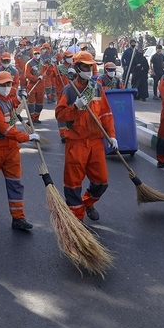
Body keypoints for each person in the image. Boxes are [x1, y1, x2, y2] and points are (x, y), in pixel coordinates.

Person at [55, 51, 117, 221]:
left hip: (96, 141)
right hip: (76, 142)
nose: (88, 69)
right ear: (77, 67)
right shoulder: (69, 90)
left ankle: (87, 202)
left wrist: (111, 136)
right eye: (85, 66)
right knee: (73, 183)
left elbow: (106, 114)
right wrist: (75, 106)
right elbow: (60, 115)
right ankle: (76, 220)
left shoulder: (96, 88)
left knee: (102, 181)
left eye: (91, 66)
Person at [0, 70, 38, 230]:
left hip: (11, 150)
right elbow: (5, 129)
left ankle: (18, 218)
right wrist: (28, 137)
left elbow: (12, 109)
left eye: (9, 84)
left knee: (15, 184)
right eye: (3, 84)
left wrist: (19, 98)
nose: (6, 86)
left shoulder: (7, 99)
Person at [24, 47, 48, 124]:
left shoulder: (42, 62)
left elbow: (46, 71)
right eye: (35, 53)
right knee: (31, 103)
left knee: (39, 103)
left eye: (38, 53)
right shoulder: (29, 63)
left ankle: (36, 118)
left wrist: (42, 76)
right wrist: (36, 78)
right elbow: (27, 74)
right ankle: (30, 119)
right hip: (32, 85)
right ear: (33, 54)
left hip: (41, 85)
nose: (37, 55)